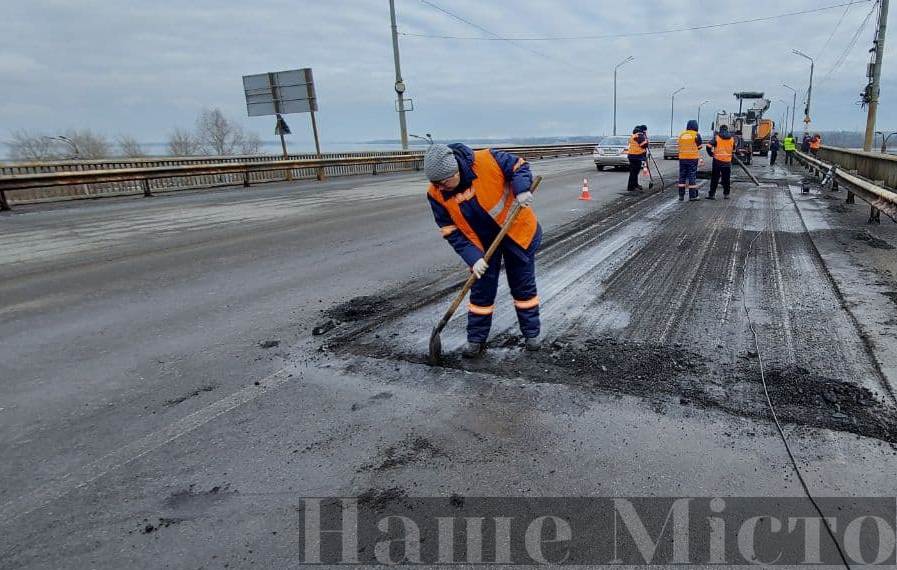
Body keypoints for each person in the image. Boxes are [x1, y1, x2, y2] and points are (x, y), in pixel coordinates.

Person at [425, 143, 542, 358]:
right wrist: (473, 258)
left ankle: (532, 335)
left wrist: (521, 189)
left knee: (522, 284)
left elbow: (519, 166)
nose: (440, 188)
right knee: (481, 289)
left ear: (456, 171)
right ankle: (476, 340)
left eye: (443, 182)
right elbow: (451, 231)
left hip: (515, 230)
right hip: (481, 244)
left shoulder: (487, 160)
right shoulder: (436, 194)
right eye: (435, 184)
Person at [677, 119, 704, 201]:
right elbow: (699, 147)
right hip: (692, 159)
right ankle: (692, 196)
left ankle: (681, 196)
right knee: (692, 176)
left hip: (682, 158)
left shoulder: (682, 135)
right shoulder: (696, 135)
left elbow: (679, 145)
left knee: (682, 176)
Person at [705, 125, 734, 200]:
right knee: (726, 179)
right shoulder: (731, 139)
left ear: (720, 130)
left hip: (717, 161)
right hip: (727, 162)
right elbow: (733, 149)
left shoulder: (717, 137)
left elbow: (708, 146)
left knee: (715, 178)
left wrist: (711, 154)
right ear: (727, 130)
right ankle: (726, 194)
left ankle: (712, 195)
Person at [626, 125, 649, 192]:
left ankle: (635, 185)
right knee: (634, 173)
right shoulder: (639, 135)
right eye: (645, 131)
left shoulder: (634, 135)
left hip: (632, 156)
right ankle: (631, 187)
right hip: (636, 156)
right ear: (643, 130)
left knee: (634, 172)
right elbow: (643, 145)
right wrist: (646, 140)